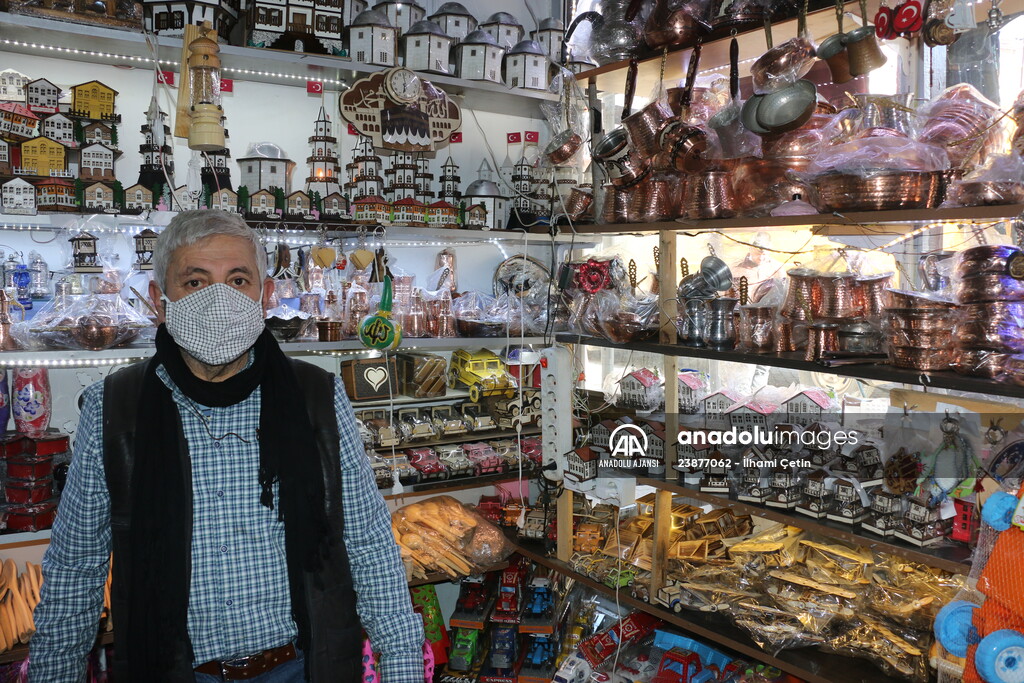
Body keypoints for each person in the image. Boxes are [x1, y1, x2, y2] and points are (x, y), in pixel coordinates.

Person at [29, 210, 425, 683]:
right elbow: (75, 569)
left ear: (265, 297)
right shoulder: (113, 405)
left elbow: (369, 543)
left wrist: (401, 665)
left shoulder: (315, 396)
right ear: (160, 300)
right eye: (195, 282)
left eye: (238, 279)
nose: (219, 299)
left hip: (303, 666)